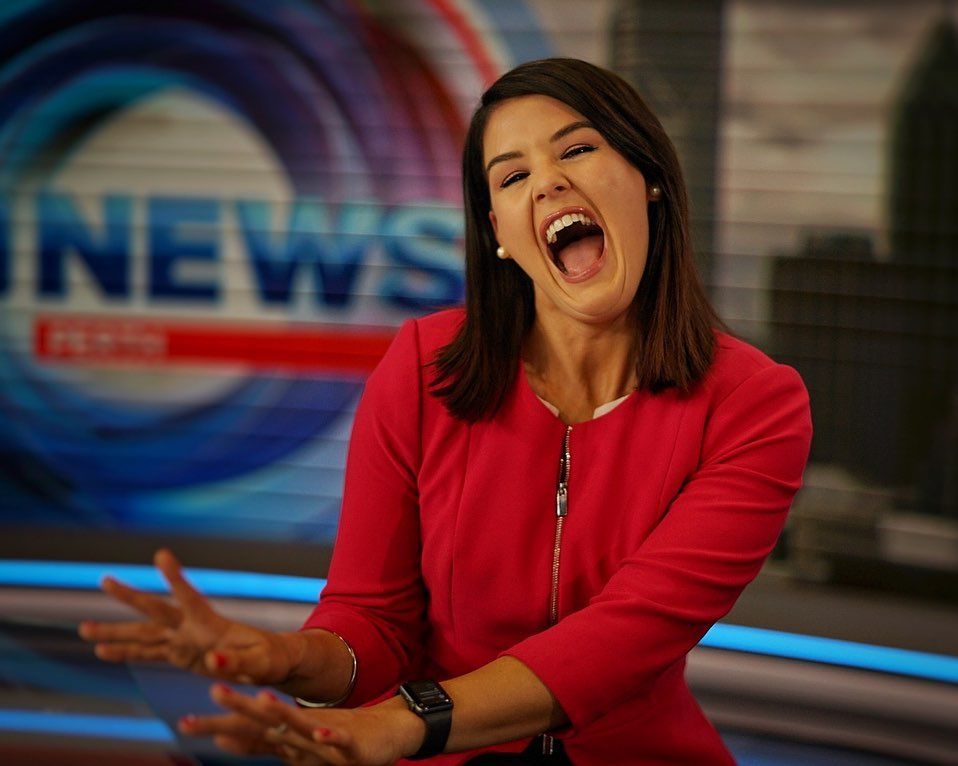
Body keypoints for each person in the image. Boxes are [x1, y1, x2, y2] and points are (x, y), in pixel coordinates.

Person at [79, 58, 812, 764]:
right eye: (514, 176)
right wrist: (286, 659)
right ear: (499, 232)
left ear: (649, 178)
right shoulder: (421, 367)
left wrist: (404, 722)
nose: (549, 183)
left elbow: (624, 639)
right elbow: (373, 623)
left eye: (577, 150)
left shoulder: (755, 405)